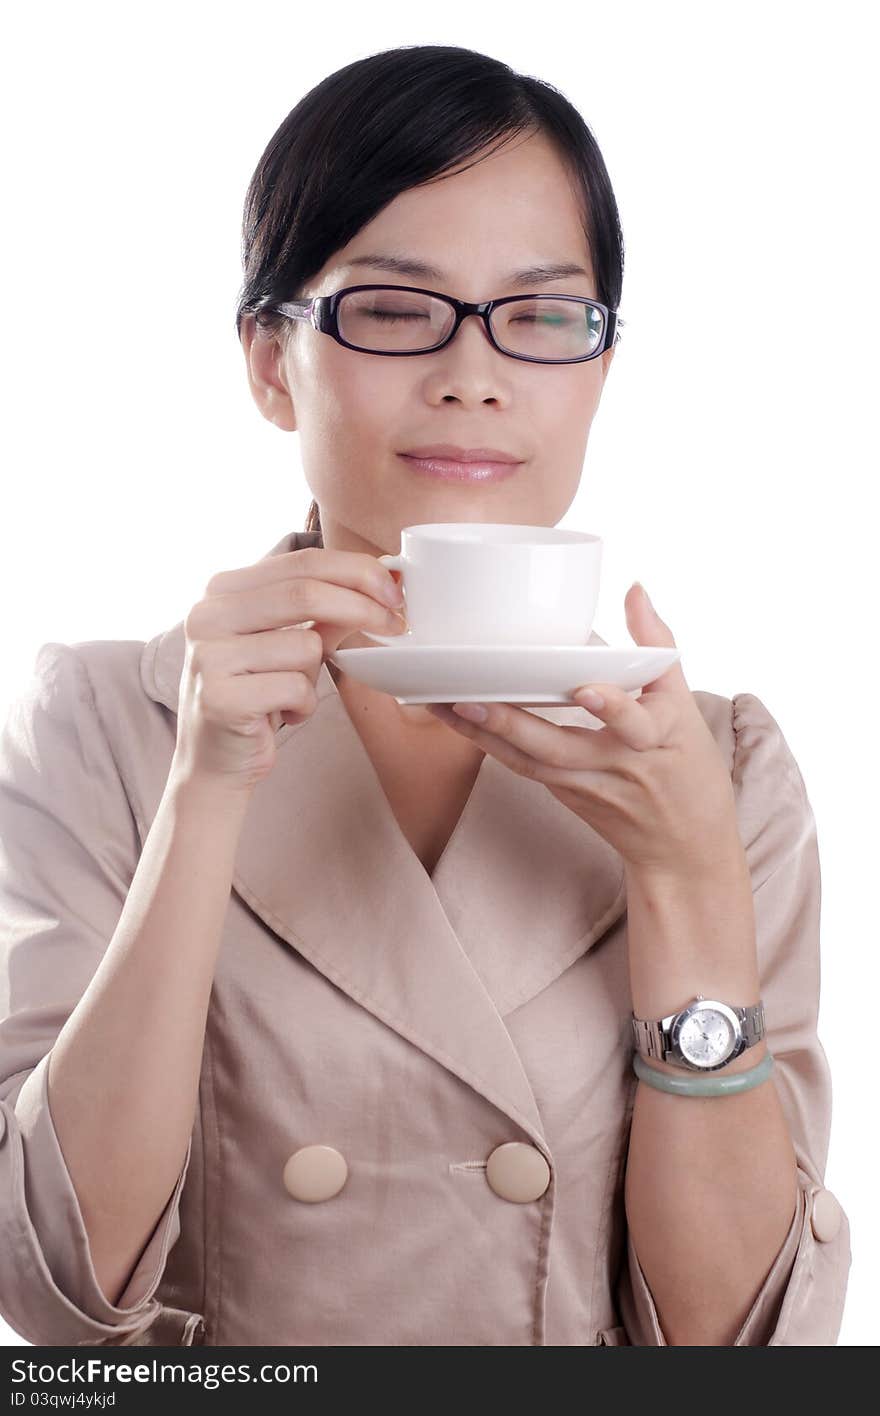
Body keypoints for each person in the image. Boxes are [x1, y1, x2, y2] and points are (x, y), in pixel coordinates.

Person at [0, 44, 850, 1348]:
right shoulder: (112, 723)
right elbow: (56, 1297)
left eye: (543, 315)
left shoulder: (715, 765)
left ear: (600, 371)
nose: (475, 374)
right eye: (393, 310)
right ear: (270, 364)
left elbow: (739, 1347)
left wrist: (688, 877)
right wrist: (209, 784)